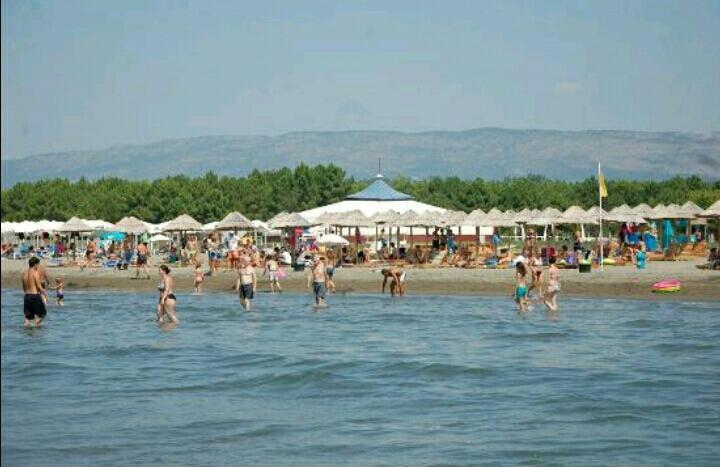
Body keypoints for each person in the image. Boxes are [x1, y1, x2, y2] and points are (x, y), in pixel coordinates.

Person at [22, 257, 47, 327]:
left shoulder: (24, 273)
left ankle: (27, 334)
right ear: (35, 264)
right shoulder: (35, 273)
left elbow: (24, 288)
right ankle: (36, 331)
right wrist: (46, 295)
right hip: (35, 296)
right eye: (38, 265)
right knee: (42, 314)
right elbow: (39, 286)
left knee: (28, 318)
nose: (38, 267)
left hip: (26, 296)